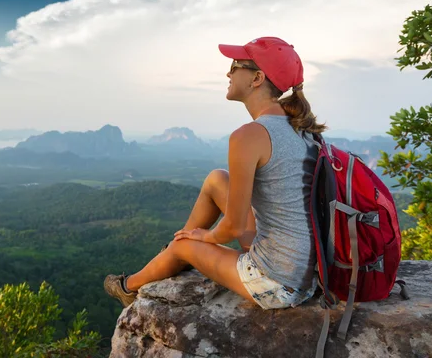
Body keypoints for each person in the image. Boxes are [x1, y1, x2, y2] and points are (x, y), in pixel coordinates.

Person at [104, 36, 325, 310]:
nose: (228, 72)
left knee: (185, 245)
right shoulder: (300, 129)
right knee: (217, 179)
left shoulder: (250, 135)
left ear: (256, 78)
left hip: (278, 282)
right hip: (302, 268)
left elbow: (233, 226)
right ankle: (172, 254)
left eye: (235, 65)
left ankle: (129, 286)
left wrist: (203, 237)